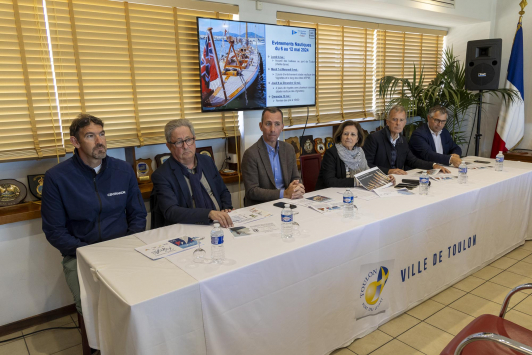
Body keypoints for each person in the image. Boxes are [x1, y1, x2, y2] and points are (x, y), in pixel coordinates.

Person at [41, 113, 147, 317]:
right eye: (90, 136)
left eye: (102, 134)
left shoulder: (123, 170)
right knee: (92, 308)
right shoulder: (57, 177)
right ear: (75, 141)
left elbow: (138, 215)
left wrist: (127, 244)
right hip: (81, 255)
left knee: (140, 298)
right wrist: (90, 253)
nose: (100, 142)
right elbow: (54, 231)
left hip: (123, 248)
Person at [151, 119, 234, 228]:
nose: (185, 146)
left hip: (219, 223)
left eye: (188, 139)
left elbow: (223, 191)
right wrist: (209, 214)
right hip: (188, 228)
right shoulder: (162, 175)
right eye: (179, 142)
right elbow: (171, 211)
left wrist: (226, 208)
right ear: (169, 146)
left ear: (194, 140)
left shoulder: (207, 161)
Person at [242, 107, 304, 206]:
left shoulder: (289, 149)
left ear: (282, 127)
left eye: (277, 124)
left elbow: (296, 178)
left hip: (287, 202)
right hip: (261, 206)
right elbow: (252, 191)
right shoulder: (250, 154)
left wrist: (297, 188)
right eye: (268, 124)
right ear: (261, 126)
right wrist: (284, 193)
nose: (273, 129)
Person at [363, 104, 451, 175]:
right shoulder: (374, 139)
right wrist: (388, 171)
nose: (398, 123)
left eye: (401, 120)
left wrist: (433, 165)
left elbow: (412, 161)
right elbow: (366, 166)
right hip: (379, 180)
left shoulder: (402, 140)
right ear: (388, 122)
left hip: (396, 180)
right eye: (394, 119)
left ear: (405, 123)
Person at [316, 120, 395, 190]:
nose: (348, 137)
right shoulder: (331, 153)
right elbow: (330, 182)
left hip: (354, 192)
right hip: (331, 194)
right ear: (340, 136)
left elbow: (367, 174)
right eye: (345, 134)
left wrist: (384, 179)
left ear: (357, 139)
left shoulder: (360, 152)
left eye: (353, 134)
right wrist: (357, 181)